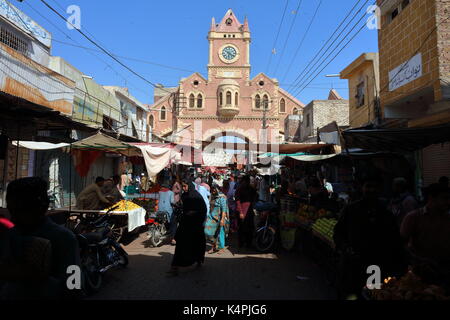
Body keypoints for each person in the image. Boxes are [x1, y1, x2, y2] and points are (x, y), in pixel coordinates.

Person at [1, 178, 80, 299]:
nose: (13, 213)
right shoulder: (8, 235)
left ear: (41, 206)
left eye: (22, 207)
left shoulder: (64, 239)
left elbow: (74, 288)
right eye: (12, 206)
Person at [333, 176, 407, 299]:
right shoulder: (351, 210)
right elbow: (338, 233)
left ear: (380, 189)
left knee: (372, 294)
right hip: (352, 265)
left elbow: (394, 241)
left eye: (375, 187)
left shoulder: (386, 213)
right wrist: (345, 248)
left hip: (376, 266)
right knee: (351, 293)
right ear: (362, 188)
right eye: (368, 186)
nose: (371, 190)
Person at [401, 183, 450, 265]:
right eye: (445, 198)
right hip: (421, 270)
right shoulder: (413, 217)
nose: (448, 202)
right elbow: (401, 246)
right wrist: (419, 260)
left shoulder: (448, 218)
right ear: (431, 198)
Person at [167, 178, 207, 276]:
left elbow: (203, 210)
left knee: (196, 244)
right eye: (183, 186)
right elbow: (182, 206)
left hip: (195, 226)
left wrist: (193, 213)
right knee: (180, 246)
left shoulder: (197, 196)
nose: (184, 188)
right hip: (185, 225)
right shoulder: (184, 196)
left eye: (185, 186)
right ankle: (175, 267)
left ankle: (198, 260)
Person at [205, 184, 230, 254]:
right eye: (212, 190)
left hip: (219, 217)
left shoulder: (222, 197)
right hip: (212, 217)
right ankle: (214, 246)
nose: (212, 191)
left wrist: (222, 219)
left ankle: (220, 248)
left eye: (214, 190)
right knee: (208, 231)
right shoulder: (212, 196)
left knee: (220, 232)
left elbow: (224, 209)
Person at [235, 175, 257, 248]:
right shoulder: (239, 189)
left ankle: (248, 244)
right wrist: (241, 212)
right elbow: (237, 201)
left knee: (250, 228)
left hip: (249, 211)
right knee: (241, 228)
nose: (246, 183)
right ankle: (241, 243)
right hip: (241, 211)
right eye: (245, 181)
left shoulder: (251, 189)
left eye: (247, 181)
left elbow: (256, 196)